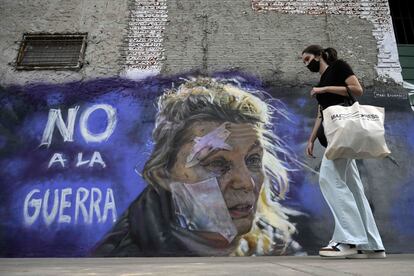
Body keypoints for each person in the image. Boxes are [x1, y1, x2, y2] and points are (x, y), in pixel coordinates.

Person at [91, 77, 303, 257]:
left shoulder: (278, 245)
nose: (246, 182)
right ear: (163, 176)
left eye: (254, 160)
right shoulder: (125, 258)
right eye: (217, 163)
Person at [301, 45, 386, 258]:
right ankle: (372, 245)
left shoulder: (338, 67)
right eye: (303, 61)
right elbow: (321, 115)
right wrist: (311, 140)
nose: (306, 63)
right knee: (353, 188)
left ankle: (349, 240)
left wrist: (325, 90)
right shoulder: (322, 81)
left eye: (308, 58)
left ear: (319, 55)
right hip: (332, 138)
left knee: (329, 180)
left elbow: (357, 90)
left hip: (343, 135)